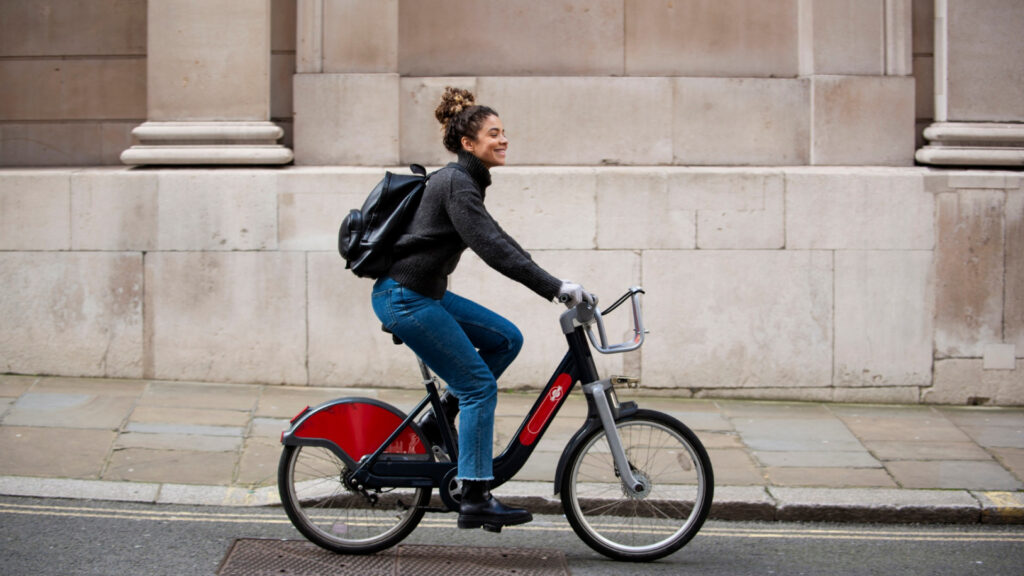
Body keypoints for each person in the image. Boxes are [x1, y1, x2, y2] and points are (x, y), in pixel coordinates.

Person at [371, 87, 593, 531]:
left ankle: (438, 424)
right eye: (494, 133)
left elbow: (500, 238)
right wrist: (553, 288)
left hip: (420, 294)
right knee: (478, 388)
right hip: (406, 298)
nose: (504, 139)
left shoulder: (465, 183)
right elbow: (492, 249)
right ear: (468, 144)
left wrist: (558, 281)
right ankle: (474, 494)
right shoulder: (456, 182)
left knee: (505, 339)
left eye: (504, 131)